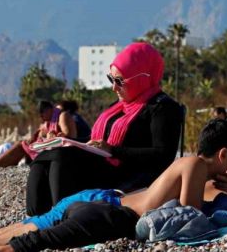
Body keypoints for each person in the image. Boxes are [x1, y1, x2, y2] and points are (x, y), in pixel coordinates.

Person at [0, 119, 227, 252]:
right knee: (19, 247)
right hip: (107, 214)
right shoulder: (192, 164)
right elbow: (187, 218)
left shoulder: (190, 167)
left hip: (96, 199)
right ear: (224, 154)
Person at [26, 42, 183, 216]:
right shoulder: (119, 106)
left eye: (120, 81)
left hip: (129, 175)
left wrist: (113, 150)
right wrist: (66, 140)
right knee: (49, 153)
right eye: (111, 79)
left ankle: (60, 216)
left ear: (142, 77)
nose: (113, 87)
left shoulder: (163, 108)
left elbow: (162, 155)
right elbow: (97, 142)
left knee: (61, 157)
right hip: (105, 166)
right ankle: (35, 216)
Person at [0, 101, 74, 168]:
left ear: (49, 110)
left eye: (42, 114)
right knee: (24, 144)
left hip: (67, 151)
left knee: (20, 146)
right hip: (54, 149)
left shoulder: (62, 116)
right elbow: (39, 132)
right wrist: (35, 137)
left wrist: (54, 136)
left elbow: (68, 136)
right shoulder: (49, 121)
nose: (41, 117)